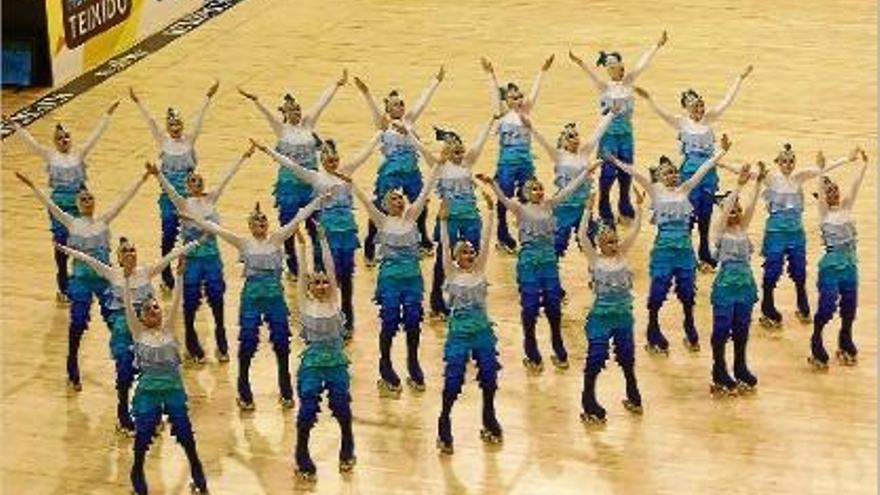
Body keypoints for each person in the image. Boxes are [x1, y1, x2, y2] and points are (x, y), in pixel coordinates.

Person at [182, 192, 331, 411]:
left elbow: (299, 218)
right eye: (256, 221)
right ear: (250, 226)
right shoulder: (243, 242)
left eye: (263, 220)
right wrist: (194, 219)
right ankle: (243, 384)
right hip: (252, 298)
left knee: (281, 342)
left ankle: (284, 384)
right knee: (248, 342)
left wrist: (318, 201)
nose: (261, 223)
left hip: (275, 299)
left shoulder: (276, 238)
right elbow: (216, 229)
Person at [16, 166, 149, 390]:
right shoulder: (71, 222)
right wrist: (32, 185)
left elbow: (124, 199)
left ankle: (129, 362)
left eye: (89, 197)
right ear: (78, 205)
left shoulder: (103, 221)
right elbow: (50, 205)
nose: (87, 200)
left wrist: (142, 179)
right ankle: (72, 365)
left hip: (104, 280)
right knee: (78, 322)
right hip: (80, 281)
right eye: (83, 198)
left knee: (117, 323)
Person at [57, 237, 201, 435]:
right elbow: (87, 259)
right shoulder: (112, 273)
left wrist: (195, 244)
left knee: (154, 369)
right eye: (125, 251)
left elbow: (170, 257)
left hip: (148, 327)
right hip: (124, 329)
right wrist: (63, 248)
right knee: (125, 370)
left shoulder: (145, 272)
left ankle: (153, 413)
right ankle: (123, 414)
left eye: (133, 249)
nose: (130, 253)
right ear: (119, 258)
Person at [608, 133, 731, 354]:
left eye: (675, 172)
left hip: (684, 250)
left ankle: (689, 324)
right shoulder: (655, 191)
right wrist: (615, 160)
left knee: (687, 292)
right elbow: (634, 172)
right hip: (664, 250)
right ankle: (653, 328)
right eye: (668, 173)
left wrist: (722, 151)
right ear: (659, 177)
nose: (673, 175)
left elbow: (704, 168)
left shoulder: (685, 189)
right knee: (658, 292)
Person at [255, 130, 382, 337]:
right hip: (327, 234)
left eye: (335, 159)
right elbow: (291, 165)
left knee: (347, 279)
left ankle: (347, 322)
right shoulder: (315, 177)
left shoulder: (347, 171)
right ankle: (321, 317)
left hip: (347, 234)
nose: (332, 162)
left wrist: (379, 133)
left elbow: (366, 152)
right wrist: (267, 150)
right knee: (327, 277)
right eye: (328, 159)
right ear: (321, 160)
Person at [633, 64, 752, 270]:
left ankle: (704, 251)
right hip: (690, 175)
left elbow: (727, 100)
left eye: (701, 105)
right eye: (695, 106)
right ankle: (686, 255)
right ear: (687, 108)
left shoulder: (710, 119)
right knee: (688, 216)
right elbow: (661, 113)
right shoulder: (681, 123)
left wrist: (739, 78)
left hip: (709, 174)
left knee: (705, 216)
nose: (699, 109)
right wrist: (648, 98)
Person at [476, 164, 591, 372]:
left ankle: (558, 346)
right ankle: (532, 351)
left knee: (553, 306)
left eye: (540, 188)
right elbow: (502, 198)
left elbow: (568, 190)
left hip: (548, 261)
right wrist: (492, 183)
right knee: (530, 307)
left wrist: (586, 172)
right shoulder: (519, 208)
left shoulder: (549, 205)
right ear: (527, 193)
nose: (539, 191)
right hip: (529, 262)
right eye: (534, 189)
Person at [152, 144, 255, 363]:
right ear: (187, 186)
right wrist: (157, 174)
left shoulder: (211, 199)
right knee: (190, 303)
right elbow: (168, 188)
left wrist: (243, 156)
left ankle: (221, 341)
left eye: (198, 180)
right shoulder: (182, 203)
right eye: (192, 181)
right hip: (191, 258)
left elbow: (227, 177)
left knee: (217, 300)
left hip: (211, 258)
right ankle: (191, 345)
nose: (196, 183)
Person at [238, 70, 347, 278]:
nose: (297, 112)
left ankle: (318, 266)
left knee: (316, 226)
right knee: (288, 226)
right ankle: (293, 266)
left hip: (311, 185)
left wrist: (336, 84)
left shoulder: (308, 124)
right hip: (288, 185)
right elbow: (266, 113)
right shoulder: (281, 129)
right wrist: (255, 100)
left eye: (298, 109)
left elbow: (321, 103)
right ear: (285, 113)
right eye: (292, 110)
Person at [10, 100, 120, 300]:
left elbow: (96, 135)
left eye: (67, 136)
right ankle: (63, 287)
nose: (64, 140)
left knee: (86, 242)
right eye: (59, 138)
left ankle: (98, 277)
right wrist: (15, 124)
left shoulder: (79, 153)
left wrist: (107, 114)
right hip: (59, 207)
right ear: (54, 141)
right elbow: (30, 142)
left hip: (79, 205)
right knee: (62, 246)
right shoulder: (50, 156)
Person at [344, 166, 440, 396]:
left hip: (413, 280)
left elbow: (426, 189)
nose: (399, 201)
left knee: (413, 321)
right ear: (386, 205)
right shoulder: (381, 220)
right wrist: (351, 183)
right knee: (389, 322)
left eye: (400, 198)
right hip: (389, 280)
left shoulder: (413, 216)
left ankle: (413, 362)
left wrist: (437, 165)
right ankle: (385, 364)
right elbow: (366, 201)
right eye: (394, 199)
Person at [123, 261, 208, 494]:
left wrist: (179, 277)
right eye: (148, 309)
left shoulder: (169, 329)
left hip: (173, 390)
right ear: (140, 318)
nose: (153, 310)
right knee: (143, 438)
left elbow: (177, 301)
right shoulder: (138, 332)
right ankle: (137, 474)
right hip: (147, 393)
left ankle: (199, 476)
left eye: (156, 307)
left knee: (185, 435)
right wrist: (127, 278)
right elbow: (128, 305)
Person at [568, 31, 668, 226]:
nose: (619, 69)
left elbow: (643, 63)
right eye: (613, 66)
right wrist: (579, 62)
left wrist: (657, 45)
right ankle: (604, 205)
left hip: (626, 135)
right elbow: (588, 71)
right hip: (608, 136)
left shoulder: (629, 82)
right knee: (607, 173)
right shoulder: (603, 87)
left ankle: (624, 203)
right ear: (608, 69)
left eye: (620, 65)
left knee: (626, 171)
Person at [754, 145, 858, 328]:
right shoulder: (770, 178)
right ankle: (767, 307)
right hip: (775, 233)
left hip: (796, 233)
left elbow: (823, 168)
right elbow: (747, 173)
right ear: (778, 162)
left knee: (799, 270)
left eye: (791, 161)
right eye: (784, 161)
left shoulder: (799, 177)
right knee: (772, 269)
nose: (788, 165)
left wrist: (847, 159)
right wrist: (720, 162)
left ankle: (803, 305)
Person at [130, 81, 219, 290]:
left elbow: (199, 119)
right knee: (169, 234)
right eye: (172, 126)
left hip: (189, 200)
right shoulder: (163, 142)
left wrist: (208, 96)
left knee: (193, 235)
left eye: (179, 125)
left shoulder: (189, 141)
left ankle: (193, 270)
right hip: (169, 198)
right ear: (168, 128)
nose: (176, 129)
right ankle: (166, 271)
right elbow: (151, 121)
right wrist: (138, 102)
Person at [406, 116, 495, 318]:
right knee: (443, 259)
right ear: (446, 150)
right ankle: (437, 302)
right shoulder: (438, 165)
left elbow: (481, 141)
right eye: (454, 149)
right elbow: (419, 147)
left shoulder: (468, 162)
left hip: (471, 216)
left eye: (461, 149)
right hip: (450, 218)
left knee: (475, 257)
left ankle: (470, 296)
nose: (460, 153)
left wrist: (490, 122)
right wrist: (407, 131)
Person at [353, 67, 445, 262]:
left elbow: (423, 100)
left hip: (412, 169)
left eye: (402, 104)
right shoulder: (383, 125)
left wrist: (436, 81)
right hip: (392, 171)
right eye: (395, 105)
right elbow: (373, 109)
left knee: (421, 203)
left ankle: (423, 237)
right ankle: (371, 242)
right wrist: (366, 92)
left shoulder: (409, 121)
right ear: (388, 109)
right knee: (380, 206)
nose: (400, 107)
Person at [435, 193, 503, 454]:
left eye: (471, 251)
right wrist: (442, 222)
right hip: (459, 333)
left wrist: (491, 211)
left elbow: (486, 239)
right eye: (465, 251)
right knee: (453, 380)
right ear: (455, 257)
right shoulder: (451, 273)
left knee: (489, 375)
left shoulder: (479, 270)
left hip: (483, 331)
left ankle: (488, 414)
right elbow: (443, 246)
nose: (471, 254)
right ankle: (444, 420)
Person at [291, 228, 355, 481]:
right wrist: (302, 246)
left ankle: (347, 444)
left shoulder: (335, 302)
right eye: (316, 282)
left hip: (337, 362)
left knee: (341, 406)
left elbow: (330, 267)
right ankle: (301, 452)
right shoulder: (305, 304)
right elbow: (302, 273)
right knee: (307, 409)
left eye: (324, 281)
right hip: (313, 363)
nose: (321, 285)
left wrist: (323, 240)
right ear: (309, 287)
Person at [578, 188, 645, 424]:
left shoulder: (623, 255)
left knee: (627, 356)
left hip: (623, 317)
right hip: (601, 317)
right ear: (600, 245)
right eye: (608, 242)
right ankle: (588, 400)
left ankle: (633, 393)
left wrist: (638, 206)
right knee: (596, 357)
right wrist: (588, 208)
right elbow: (581, 237)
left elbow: (636, 229)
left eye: (615, 240)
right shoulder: (594, 260)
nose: (614, 244)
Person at [480, 54, 554, 253]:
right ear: (506, 100)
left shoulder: (525, 112)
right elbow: (495, 97)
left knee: (529, 197)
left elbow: (535, 93)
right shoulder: (502, 114)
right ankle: (503, 235)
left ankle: (528, 231)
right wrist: (491, 74)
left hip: (526, 162)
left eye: (520, 96)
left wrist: (543, 71)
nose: (520, 100)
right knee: (504, 199)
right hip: (506, 164)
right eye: (514, 97)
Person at [809, 149, 867, 370]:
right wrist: (821, 168)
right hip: (832, 265)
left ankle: (846, 337)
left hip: (850, 264)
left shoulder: (847, 207)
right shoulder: (824, 214)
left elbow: (855, 186)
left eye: (834, 189)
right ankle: (816, 338)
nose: (832, 192)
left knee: (850, 307)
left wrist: (863, 165)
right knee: (826, 307)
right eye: (828, 191)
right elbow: (820, 192)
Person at [708, 163, 762, 396]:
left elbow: (751, 206)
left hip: (745, 286)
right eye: (730, 210)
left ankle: (740, 366)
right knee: (722, 328)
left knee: (741, 328)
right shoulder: (719, 231)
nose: (735, 212)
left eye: (737, 210)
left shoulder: (743, 228)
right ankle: (719, 368)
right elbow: (728, 206)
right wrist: (738, 186)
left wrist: (758, 183)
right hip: (726, 285)